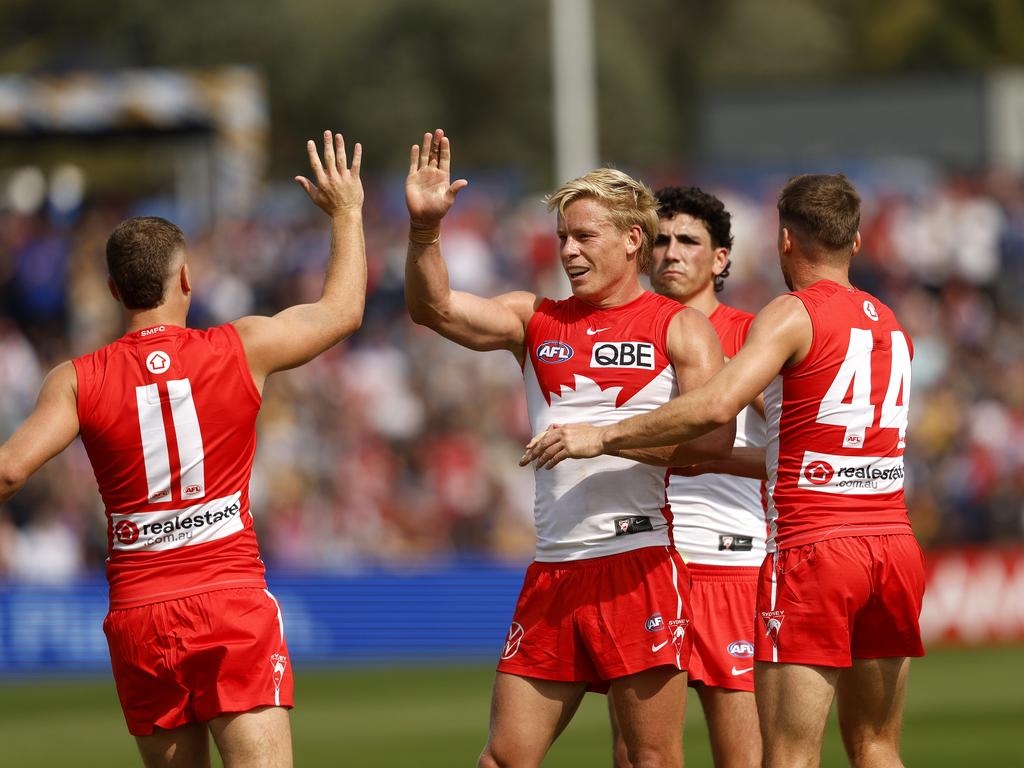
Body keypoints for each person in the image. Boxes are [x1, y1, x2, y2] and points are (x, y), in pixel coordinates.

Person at [524, 173, 925, 768]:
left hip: (813, 547)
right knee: (876, 745)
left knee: (785, 755)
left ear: (784, 240)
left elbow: (715, 407)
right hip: (893, 542)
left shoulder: (787, 315)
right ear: (858, 241)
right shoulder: (891, 323)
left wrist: (603, 436)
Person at [0, 131, 367, 768]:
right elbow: (341, 311)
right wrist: (347, 213)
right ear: (187, 278)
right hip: (228, 595)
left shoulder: (76, 379)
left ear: (114, 292)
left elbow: (8, 470)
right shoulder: (242, 347)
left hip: (141, 614)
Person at [403, 129, 734, 768]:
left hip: (635, 562)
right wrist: (424, 232)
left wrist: (604, 440)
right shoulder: (537, 318)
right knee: (503, 758)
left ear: (632, 240)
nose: (569, 251)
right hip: (554, 569)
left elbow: (713, 442)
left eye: (584, 236)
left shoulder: (682, 328)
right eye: (562, 238)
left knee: (650, 759)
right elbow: (434, 308)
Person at [609, 186, 767, 768]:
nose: (671, 252)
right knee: (637, 754)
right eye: (661, 240)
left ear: (720, 259)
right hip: (643, 561)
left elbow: (792, 453)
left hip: (729, 563)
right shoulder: (624, 332)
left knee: (743, 755)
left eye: (689, 241)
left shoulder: (755, 338)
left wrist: (700, 455)